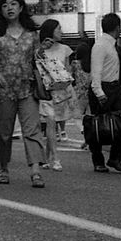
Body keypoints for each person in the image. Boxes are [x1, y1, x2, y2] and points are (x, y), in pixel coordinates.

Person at [0, 0, 46, 187]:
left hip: (28, 87)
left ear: (21, 7)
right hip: (3, 89)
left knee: (32, 129)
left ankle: (35, 171)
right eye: (5, 5)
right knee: (4, 131)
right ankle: (3, 166)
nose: (9, 8)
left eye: (13, 4)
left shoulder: (32, 34)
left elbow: (37, 58)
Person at [89, 12, 121, 175]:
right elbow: (96, 71)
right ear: (117, 28)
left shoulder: (114, 46)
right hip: (102, 88)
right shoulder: (101, 45)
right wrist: (99, 92)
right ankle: (98, 161)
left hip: (115, 88)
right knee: (98, 127)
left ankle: (115, 158)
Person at [35, 19, 75, 172]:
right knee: (51, 123)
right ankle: (56, 159)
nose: (61, 31)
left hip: (60, 91)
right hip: (45, 92)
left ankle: (45, 158)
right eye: (58, 29)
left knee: (53, 124)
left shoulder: (65, 49)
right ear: (50, 30)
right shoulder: (40, 49)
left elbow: (67, 71)